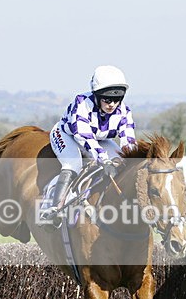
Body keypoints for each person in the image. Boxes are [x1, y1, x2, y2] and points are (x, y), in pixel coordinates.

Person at [40, 65, 137, 223]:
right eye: (107, 99)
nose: (112, 104)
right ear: (97, 95)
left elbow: (129, 141)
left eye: (117, 99)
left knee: (121, 162)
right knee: (73, 164)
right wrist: (104, 160)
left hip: (99, 140)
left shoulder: (124, 111)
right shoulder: (82, 103)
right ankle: (55, 210)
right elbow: (83, 136)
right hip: (68, 136)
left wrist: (133, 161)